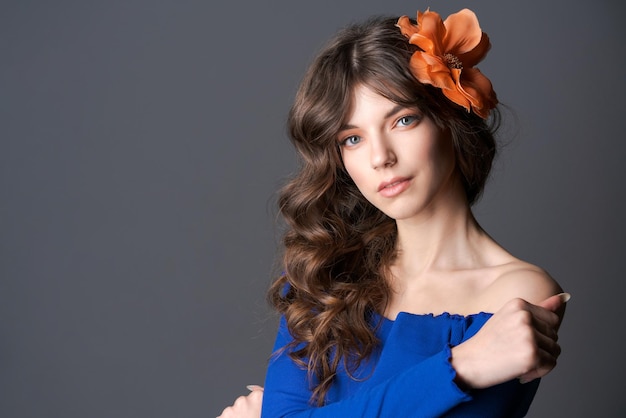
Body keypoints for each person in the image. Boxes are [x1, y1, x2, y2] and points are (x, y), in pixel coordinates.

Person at [218, 7, 568, 418]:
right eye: (352, 139)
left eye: (403, 119)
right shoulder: (328, 273)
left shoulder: (517, 291)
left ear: (450, 119)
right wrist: (463, 366)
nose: (380, 157)